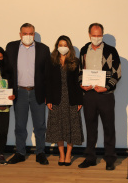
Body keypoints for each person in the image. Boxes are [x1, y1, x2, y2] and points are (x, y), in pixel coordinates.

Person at [5, 23, 50, 165]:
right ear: (20, 34)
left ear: (34, 34)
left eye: (31, 33)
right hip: (19, 92)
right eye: (25, 33)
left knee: (40, 125)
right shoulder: (11, 47)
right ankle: (20, 152)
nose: (28, 36)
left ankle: (41, 152)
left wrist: (47, 94)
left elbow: (47, 74)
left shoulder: (43, 49)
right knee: (20, 125)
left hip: (38, 92)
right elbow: (6, 70)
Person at [78, 23, 121, 170]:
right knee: (90, 127)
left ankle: (110, 159)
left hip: (106, 96)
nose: (97, 38)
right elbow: (80, 71)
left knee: (109, 127)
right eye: (94, 35)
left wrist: (107, 87)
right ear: (89, 34)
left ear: (102, 34)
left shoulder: (111, 50)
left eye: (99, 35)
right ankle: (90, 157)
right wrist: (81, 84)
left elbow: (117, 72)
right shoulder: (84, 50)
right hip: (89, 95)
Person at [46, 35, 84, 166]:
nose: (63, 47)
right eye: (60, 45)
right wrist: (48, 99)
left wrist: (80, 100)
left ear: (69, 46)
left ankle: (69, 154)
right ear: (57, 46)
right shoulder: (52, 61)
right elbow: (49, 82)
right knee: (58, 128)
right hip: (56, 99)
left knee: (71, 127)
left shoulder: (76, 61)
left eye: (65, 45)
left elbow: (79, 82)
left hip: (71, 99)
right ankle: (61, 154)